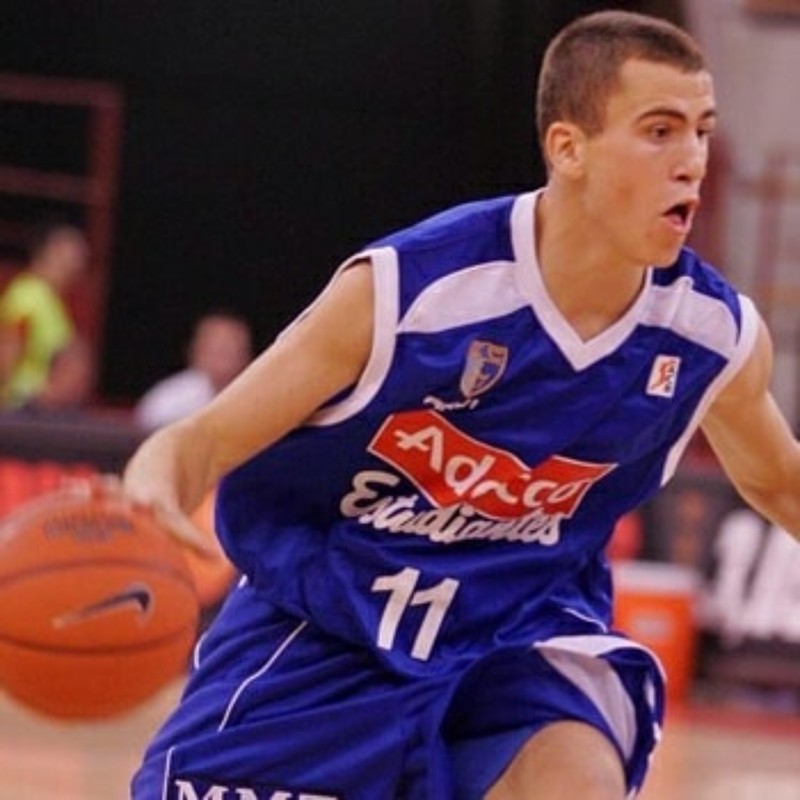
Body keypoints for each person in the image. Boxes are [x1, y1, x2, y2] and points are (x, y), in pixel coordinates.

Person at [120, 10, 800, 800]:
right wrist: (152, 487)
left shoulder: (710, 334)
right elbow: (201, 441)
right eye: (659, 131)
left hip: (518, 639)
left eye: (701, 131)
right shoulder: (410, 293)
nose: (692, 161)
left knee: (574, 781)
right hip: (330, 627)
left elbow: (780, 481)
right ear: (568, 148)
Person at [0, 222, 89, 408]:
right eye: (73, 256)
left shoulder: (52, 302)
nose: (78, 264)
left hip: (41, 409)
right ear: (52, 251)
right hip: (17, 408)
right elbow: (6, 352)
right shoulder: (27, 296)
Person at [134, 311, 253, 431]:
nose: (228, 361)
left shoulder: (255, 398)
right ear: (196, 353)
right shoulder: (167, 401)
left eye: (237, 351)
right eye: (221, 351)